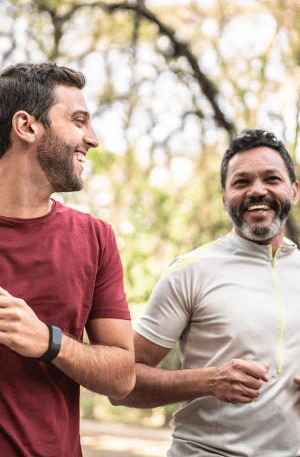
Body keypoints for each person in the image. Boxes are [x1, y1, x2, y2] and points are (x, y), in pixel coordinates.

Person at [111, 129, 300, 456]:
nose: (257, 190)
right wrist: (208, 381)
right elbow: (121, 385)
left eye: (271, 178)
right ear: (224, 197)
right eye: (241, 182)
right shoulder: (190, 270)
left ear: (294, 191)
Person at [0, 61, 135, 457]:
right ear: (27, 126)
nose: (92, 139)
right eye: (78, 121)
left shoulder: (96, 238)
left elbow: (123, 376)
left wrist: (48, 341)